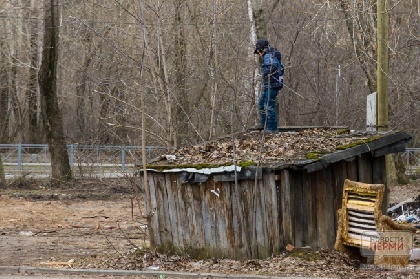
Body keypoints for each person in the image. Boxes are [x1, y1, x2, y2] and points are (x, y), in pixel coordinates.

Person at [254, 39, 283, 133]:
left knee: (268, 106)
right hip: (268, 84)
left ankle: (272, 128)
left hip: (273, 84)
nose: (259, 55)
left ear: (260, 50)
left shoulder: (268, 55)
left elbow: (272, 66)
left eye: (258, 52)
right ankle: (264, 124)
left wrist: (263, 75)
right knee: (261, 104)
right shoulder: (270, 55)